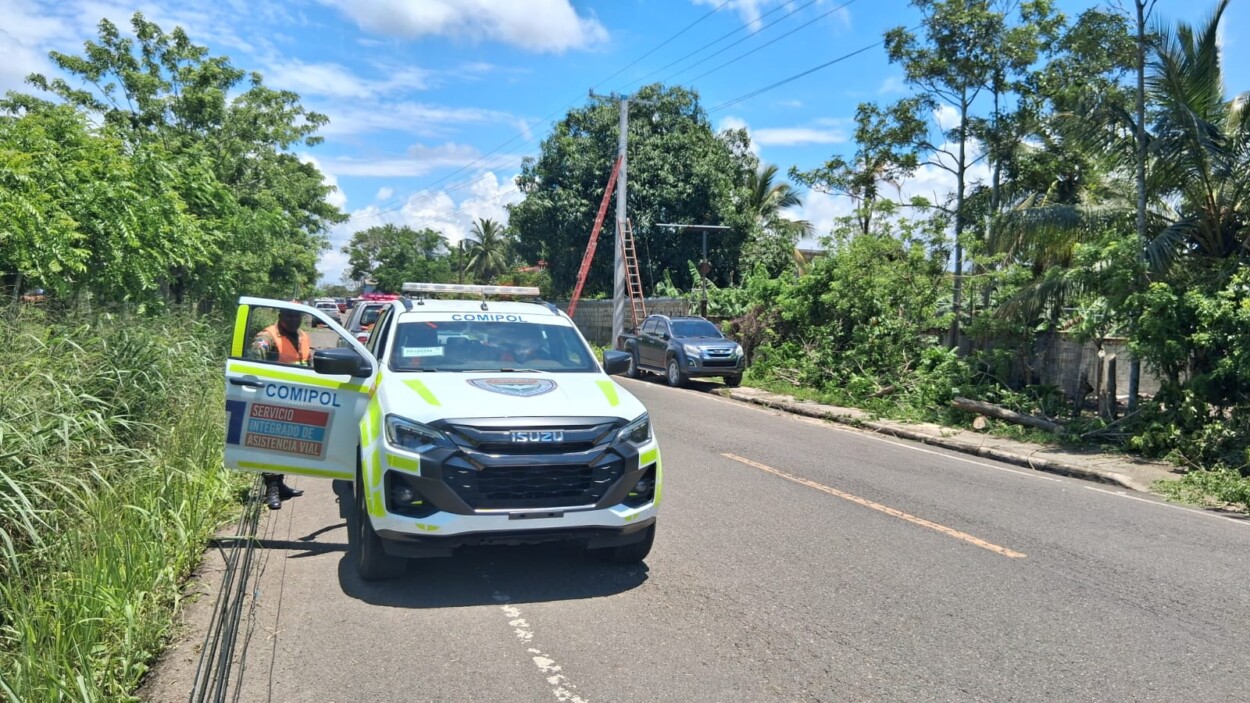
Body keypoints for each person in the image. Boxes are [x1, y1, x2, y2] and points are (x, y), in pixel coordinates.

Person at [247, 305, 310, 510]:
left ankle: (280, 485)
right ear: (280, 315)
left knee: (285, 447)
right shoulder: (267, 337)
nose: (293, 319)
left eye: (297, 315)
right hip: (272, 400)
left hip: (297, 400)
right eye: (289, 315)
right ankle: (271, 490)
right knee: (271, 446)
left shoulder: (302, 336)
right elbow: (253, 366)